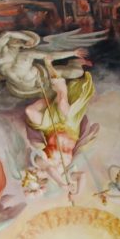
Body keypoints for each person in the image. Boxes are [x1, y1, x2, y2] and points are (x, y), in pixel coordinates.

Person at [24, 65, 96, 202]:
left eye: (34, 174)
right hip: (70, 129)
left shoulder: (38, 160)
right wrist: (76, 193)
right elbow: (82, 176)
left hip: (51, 128)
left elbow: (49, 168)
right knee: (63, 100)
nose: (36, 172)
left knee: (30, 111)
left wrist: (61, 184)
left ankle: (49, 101)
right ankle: (50, 67)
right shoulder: (64, 175)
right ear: (42, 182)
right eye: (37, 177)